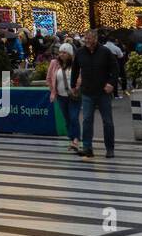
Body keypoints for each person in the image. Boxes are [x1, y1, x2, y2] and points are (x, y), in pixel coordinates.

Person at [72, 29, 116, 159]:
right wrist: (73, 85)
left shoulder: (105, 52)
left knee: (107, 121)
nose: (86, 41)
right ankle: (87, 148)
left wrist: (111, 83)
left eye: (89, 38)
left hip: (103, 92)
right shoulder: (80, 53)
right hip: (87, 92)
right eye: (85, 38)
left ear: (95, 39)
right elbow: (75, 69)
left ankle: (110, 148)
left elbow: (115, 68)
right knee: (86, 120)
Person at [47, 43, 80, 152]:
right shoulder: (54, 63)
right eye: (60, 52)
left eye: (64, 52)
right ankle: (72, 138)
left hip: (74, 96)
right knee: (67, 119)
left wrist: (78, 87)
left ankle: (76, 140)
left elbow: (81, 77)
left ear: (70, 54)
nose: (61, 54)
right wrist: (53, 90)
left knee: (74, 117)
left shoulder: (76, 64)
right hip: (61, 96)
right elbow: (49, 78)